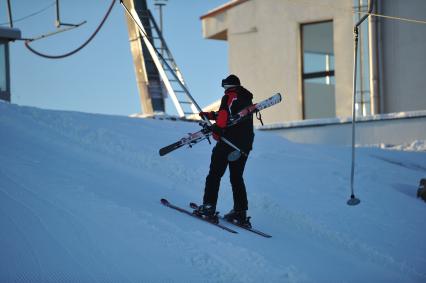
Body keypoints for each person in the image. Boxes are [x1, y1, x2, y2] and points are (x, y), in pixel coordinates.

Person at [194, 74, 254, 227]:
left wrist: (217, 132)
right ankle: (240, 212)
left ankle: (208, 207)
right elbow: (231, 116)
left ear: (227, 86)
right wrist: (210, 116)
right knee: (236, 177)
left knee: (214, 175)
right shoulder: (247, 100)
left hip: (228, 143)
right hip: (244, 146)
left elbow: (224, 116)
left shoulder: (228, 97)